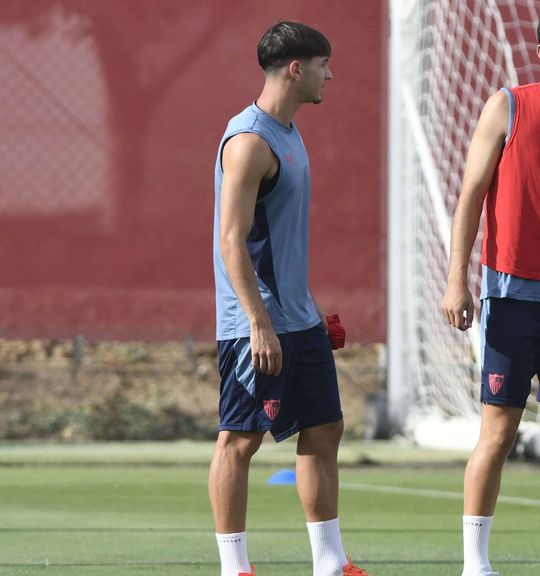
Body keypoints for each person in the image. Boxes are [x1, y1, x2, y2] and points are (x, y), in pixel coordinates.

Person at [439, 4, 540, 575]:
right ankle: (475, 564)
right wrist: (457, 279)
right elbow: (470, 196)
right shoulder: (508, 106)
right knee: (498, 433)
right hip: (512, 298)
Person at [210, 21, 367, 576]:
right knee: (240, 440)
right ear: (296, 69)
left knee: (324, 428)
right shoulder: (249, 142)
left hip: (298, 319)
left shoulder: (290, 132)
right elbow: (232, 241)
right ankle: (236, 569)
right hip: (255, 324)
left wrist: (309, 309)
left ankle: (330, 564)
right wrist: (259, 323)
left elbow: (280, 239)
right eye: (324, 65)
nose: (331, 75)